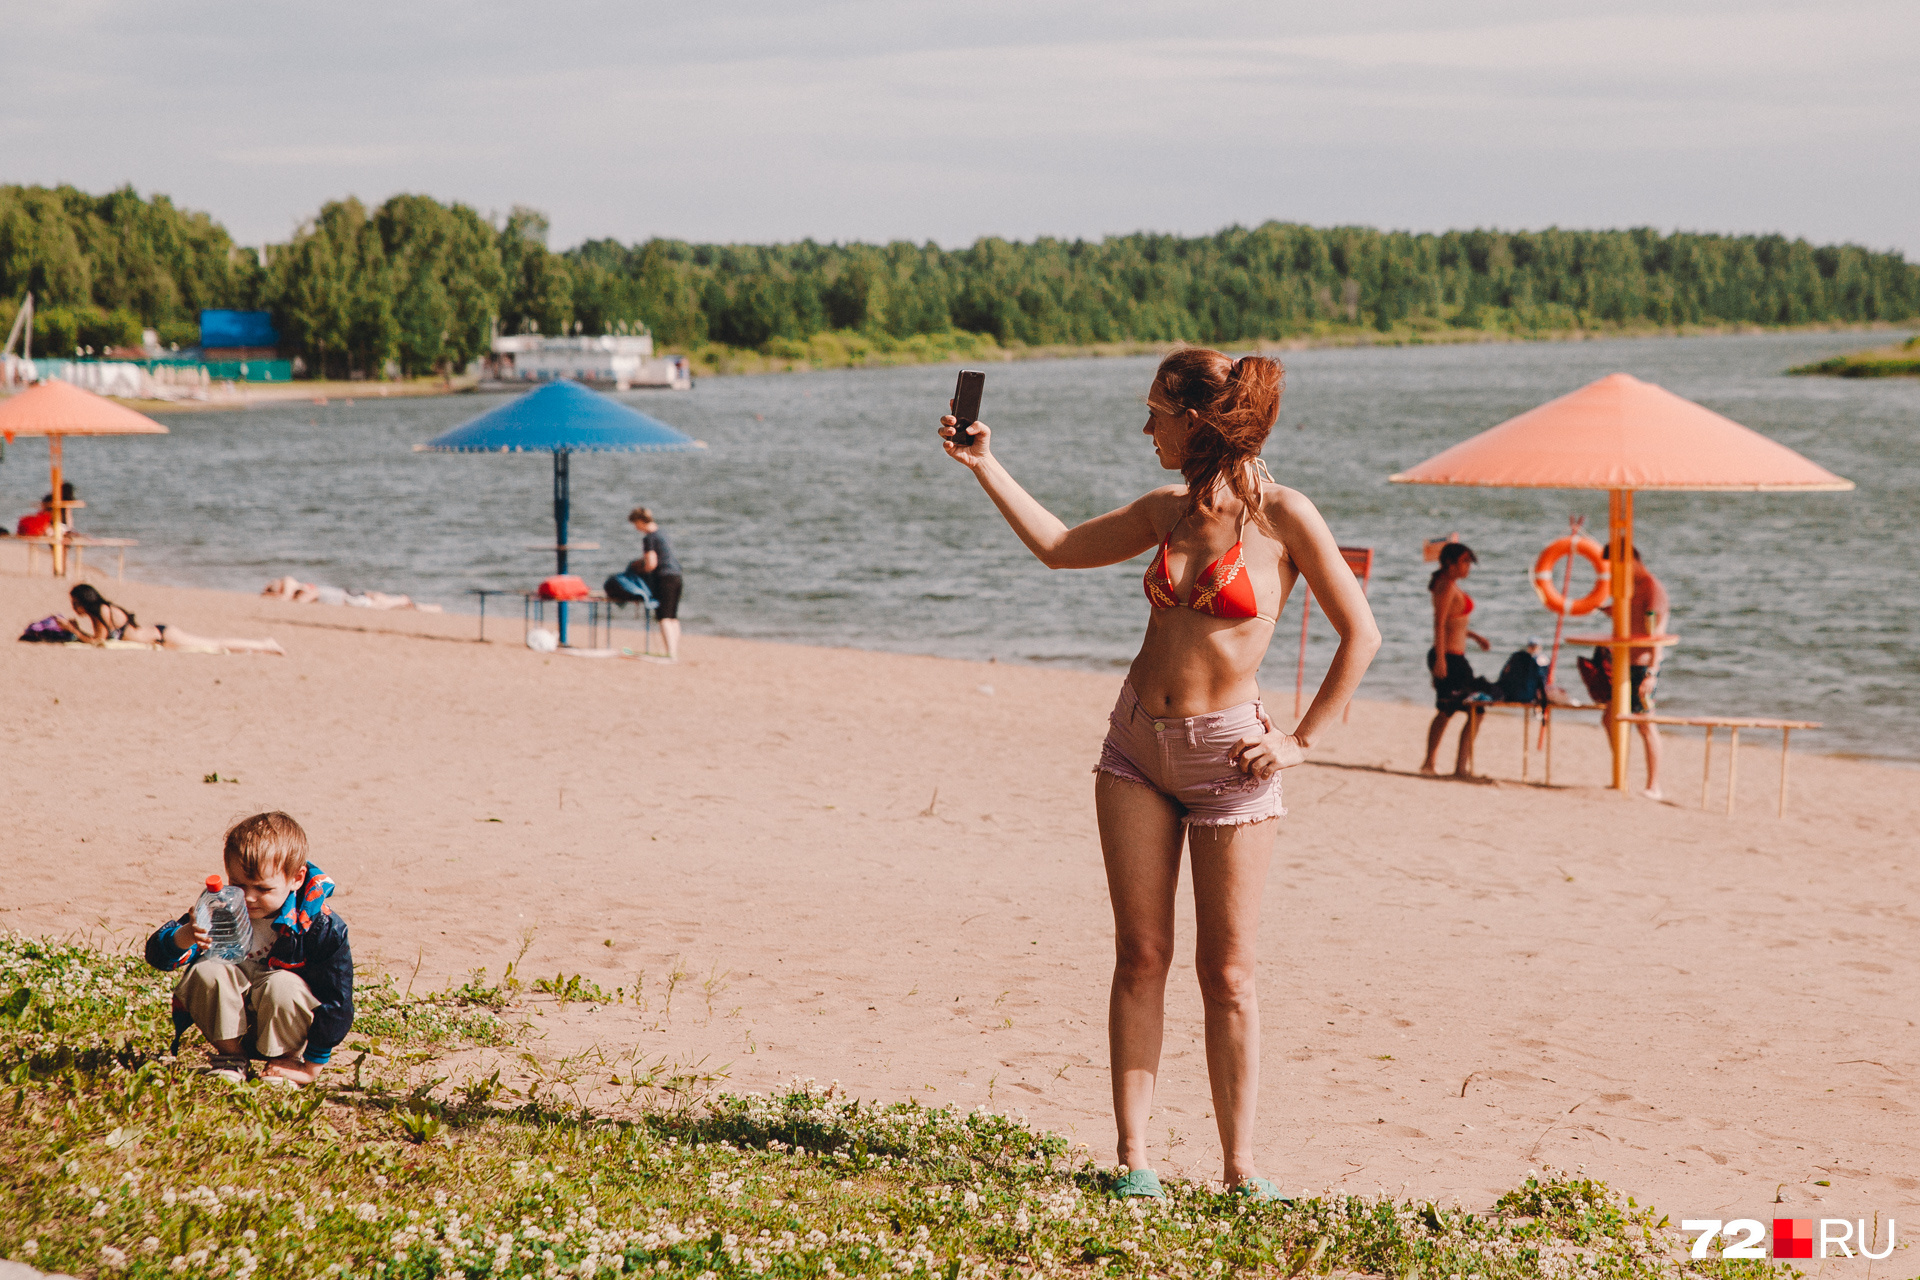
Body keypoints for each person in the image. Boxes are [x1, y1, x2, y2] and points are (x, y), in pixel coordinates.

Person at [940, 348, 1379, 1198]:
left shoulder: (1287, 517)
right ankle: (1134, 1160)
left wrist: (1302, 740)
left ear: (1197, 420)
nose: (1146, 428)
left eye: (1156, 412)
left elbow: (1360, 634)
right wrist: (985, 464)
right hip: (1135, 748)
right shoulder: (1163, 512)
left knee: (1230, 974)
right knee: (1141, 954)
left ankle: (1241, 1169)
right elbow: (1062, 548)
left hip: (1231, 760)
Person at [143, 812, 353, 1086]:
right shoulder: (220, 910)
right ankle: (231, 1058)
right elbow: (157, 957)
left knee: (282, 984)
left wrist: (311, 1067)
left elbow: (336, 1000)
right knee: (207, 970)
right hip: (230, 1025)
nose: (249, 897)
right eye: (238, 884)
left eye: (263, 888)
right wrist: (187, 935)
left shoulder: (318, 925)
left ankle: (284, 1062)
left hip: (285, 1027)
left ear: (297, 879)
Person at [1599, 545, 1670, 799]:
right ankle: (1622, 775)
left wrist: (1652, 671)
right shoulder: (1629, 588)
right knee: (1610, 718)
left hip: (1642, 664)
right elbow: (1634, 619)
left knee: (1645, 724)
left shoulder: (1651, 589)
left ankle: (1654, 785)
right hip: (1623, 664)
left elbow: (1656, 633)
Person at [1419, 542, 1493, 778]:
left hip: (1457, 656)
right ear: (1450, 564)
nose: (1468, 566)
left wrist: (1474, 636)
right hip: (1448, 657)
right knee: (1449, 710)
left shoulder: (1447, 585)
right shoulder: (1446, 587)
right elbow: (1439, 624)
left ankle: (1456, 767)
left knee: (1469, 710)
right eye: (1464, 561)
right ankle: (1433, 764)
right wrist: (1440, 660)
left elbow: (1454, 623)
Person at [66, 583, 286, 655]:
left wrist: (74, 631)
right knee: (215, 644)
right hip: (160, 635)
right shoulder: (101, 612)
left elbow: (98, 642)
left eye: (75, 603)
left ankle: (265, 644)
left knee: (217, 644)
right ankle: (263, 645)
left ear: (84, 601)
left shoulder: (104, 612)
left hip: (163, 636)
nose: (74, 607)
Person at [626, 506, 683, 661]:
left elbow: (652, 563)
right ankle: (674, 651)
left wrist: (640, 570)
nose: (636, 528)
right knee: (673, 616)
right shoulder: (662, 533)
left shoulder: (649, 538)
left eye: (635, 524)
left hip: (664, 577)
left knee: (664, 616)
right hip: (677, 574)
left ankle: (670, 653)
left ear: (640, 521)